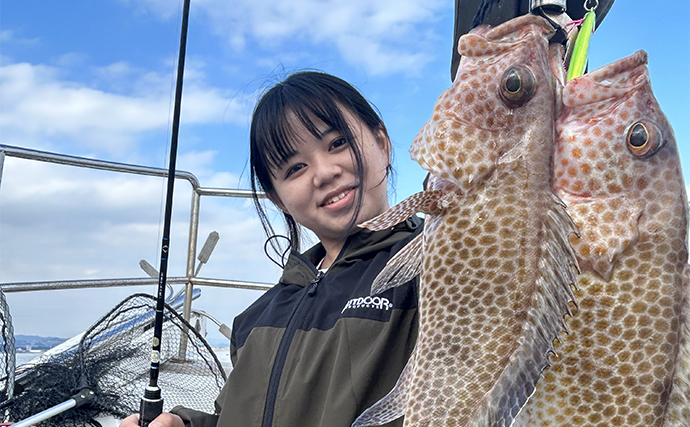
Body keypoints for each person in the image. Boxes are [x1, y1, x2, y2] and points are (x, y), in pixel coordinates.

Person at [120, 71, 421, 427]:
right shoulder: (257, 318)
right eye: (295, 167)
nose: (323, 172)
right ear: (278, 198)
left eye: (337, 143)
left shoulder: (440, 266)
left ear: (382, 143)